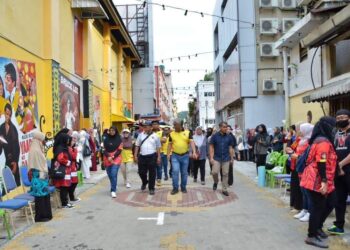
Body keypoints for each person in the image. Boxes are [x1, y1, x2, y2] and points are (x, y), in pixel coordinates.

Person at [300, 117, 337, 248]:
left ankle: (318, 227)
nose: (334, 130)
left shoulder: (321, 140)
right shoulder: (323, 142)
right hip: (316, 180)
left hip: (319, 179)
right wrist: (324, 181)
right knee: (317, 207)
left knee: (330, 202)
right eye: (333, 127)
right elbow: (321, 162)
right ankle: (311, 235)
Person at [327, 109, 350, 235]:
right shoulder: (336, 133)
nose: (341, 119)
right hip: (338, 172)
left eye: (343, 117)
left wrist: (340, 164)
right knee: (339, 199)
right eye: (338, 118)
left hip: (347, 169)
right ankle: (339, 225)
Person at [167, 119, 197, 195]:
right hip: (175, 156)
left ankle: (183, 187)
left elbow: (192, 142)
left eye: (175, 125)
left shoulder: (187, 133)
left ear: (180, 125)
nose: (174, 126)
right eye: (174, 124)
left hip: (185, 156)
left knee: (184, 173)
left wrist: (194, 152)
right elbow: (170, 145)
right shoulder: (171, 134)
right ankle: (175, 188)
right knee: (175, 172)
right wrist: (168, 154)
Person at [28, 131, 52, 222]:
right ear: (38, 140)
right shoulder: (35, 150)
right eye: (42, 140)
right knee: (40, 197)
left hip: (42, 177)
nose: (43, 142)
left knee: (45, 195)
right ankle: (41, 217)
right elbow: (35, 166)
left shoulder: (37, 149)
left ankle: (46, 215)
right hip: (38, 178)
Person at [292, 123, 314, 222]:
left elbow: (309, 156)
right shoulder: (301, 140)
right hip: (300, 167)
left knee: (307, 191)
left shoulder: (310, 141)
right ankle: (304, 210)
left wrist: (297, 156)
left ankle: (310, 212)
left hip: (307, 169)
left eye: (301, 129)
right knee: (303, 190)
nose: (299, 131)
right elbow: (295, 149)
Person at [134, 121, 161, 195]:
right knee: (141, 172)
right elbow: (137, 145)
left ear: (151, 127)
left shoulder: (155, 136)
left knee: (152, 173)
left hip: (152, 156)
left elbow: (158, 147)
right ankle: (145, 181)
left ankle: (151, 188)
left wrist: (158, 157)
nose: (145, 128)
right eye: (144, 126)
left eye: (146, 126)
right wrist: (135, 155)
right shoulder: (140, 135)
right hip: (142, 156)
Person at [209, 122, 236, 196]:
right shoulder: (214, 136)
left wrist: (232, 158)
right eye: (224, 127)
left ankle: (224, 189)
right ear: (220, 127)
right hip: (216, 158)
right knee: (214, 172)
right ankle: (216, 181)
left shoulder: (229, 137)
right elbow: (211, 147)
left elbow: (230, 148)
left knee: (225, 174)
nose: (226, 128)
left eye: (226, 127)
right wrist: (211, 158)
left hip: (226, 158)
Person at [0, 103, 20, 185]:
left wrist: (15, 162)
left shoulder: (13, 128)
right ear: (4, 113)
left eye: (9, 113)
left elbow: (17, 147)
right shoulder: (1, 128)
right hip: (7, 160)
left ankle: (20, 197)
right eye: (6, 113)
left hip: (14, 160)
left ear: (11, 114)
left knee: (17, 183)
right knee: (7, 183)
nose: (7, 115)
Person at [53, 133, 73, 208]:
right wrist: (67, 162)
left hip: (65, 169)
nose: (68, 141)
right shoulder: (60, 148)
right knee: (63, 187)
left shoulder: (63, 147)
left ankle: (65, 202)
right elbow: (60, 158)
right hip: (63, 169)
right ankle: (64, 203)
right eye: (67, 139)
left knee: (65, 186)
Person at [103, 126, 123, 198]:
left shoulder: (119, 139)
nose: (112, 132)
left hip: (116, 158)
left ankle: (113, 190)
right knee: (110, 174)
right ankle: (114, 184)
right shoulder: (105, 138)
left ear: (115, 131)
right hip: (107, 158)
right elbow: (103, 149)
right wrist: (108, 156)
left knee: (113, 173)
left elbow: (120, 150)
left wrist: (113, 157)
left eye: (113, 130)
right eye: (110, 130)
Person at [68, 131, 80, 202]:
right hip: (71, 167)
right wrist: (75, 150)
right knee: (74, 182)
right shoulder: (70, 148)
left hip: (73, 166)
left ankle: (72, 196)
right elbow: (73, 156)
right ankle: (71, 196)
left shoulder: (72, 148)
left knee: (75, 181)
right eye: (72, 140)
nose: (73, 142)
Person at [152, 120, 163, 186]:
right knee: (152, 167)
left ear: (158, 125)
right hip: (151, 152)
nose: (155, 125)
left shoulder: (162, 132)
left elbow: (164, 140)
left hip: (160, 152)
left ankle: (159, 179)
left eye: (156, 124)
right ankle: (153, 179)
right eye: (153, 124)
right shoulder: (150, 132)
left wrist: (154, 139)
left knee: (159, 167)